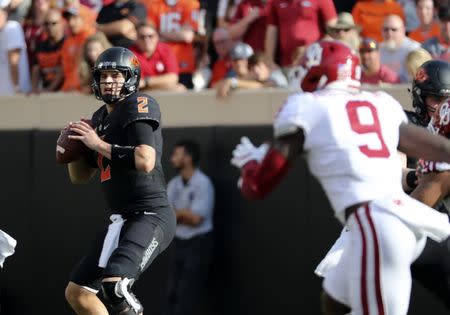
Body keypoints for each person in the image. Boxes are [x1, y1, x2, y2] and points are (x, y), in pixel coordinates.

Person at [230, 40, 450, 315]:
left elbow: (256, 187)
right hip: (390, 219)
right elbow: (437, 147)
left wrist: (250, 166)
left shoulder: (306, 106)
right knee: (334, 299)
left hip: (378, 225)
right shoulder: (380, 102)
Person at [315, 59, 450, 314]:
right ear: (421, 96)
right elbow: (394, 173)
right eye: (435, 98)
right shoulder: (404, 123)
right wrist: (416, 176)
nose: (441, 106)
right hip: (399, 216)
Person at [63, 47, 176, 315]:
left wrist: (97, 143)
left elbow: (145, 159)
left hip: (151, 215)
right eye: (104, 76)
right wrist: (74, 150)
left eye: (116, 75)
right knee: (78, 292)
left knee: (115, 288)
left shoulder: (139, 104)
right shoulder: (100, 118)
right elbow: (80, 178)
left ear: (131, 78)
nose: (109, 81)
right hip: (121, 219)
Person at [165, 140, 215, 315]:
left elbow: (196, 220)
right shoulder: (173, 184)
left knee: (188, 295)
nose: (173, 159)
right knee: (172, 293)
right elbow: (166, 217)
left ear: (188, 158)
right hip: (178, 243)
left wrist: (177, 214)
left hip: (198, 245)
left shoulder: (203, 184)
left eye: (177, 154)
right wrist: (182, 213)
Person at [0, 0, 31, 95]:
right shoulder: (12, 28)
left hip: (12, 95)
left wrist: (17, 89)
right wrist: (17, 89)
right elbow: (13, 62)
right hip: (13, 95)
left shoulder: (11, 28)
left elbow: (14, 61)